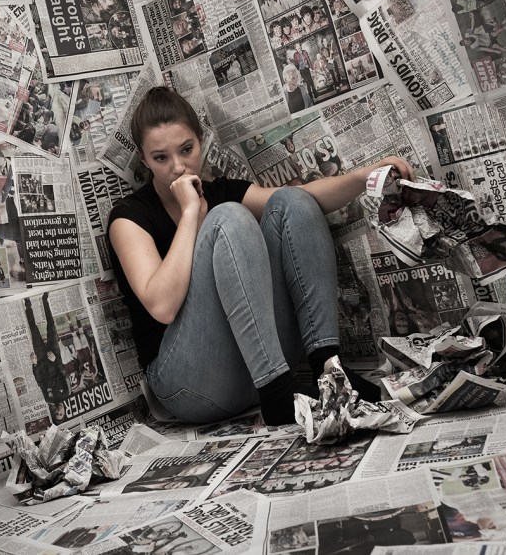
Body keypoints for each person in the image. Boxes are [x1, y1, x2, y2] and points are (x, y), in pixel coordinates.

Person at [107, 87, 413, 425]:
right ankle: (277, 391)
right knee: (228, 217)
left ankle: (330, 369)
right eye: (160, 158)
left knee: (292, 202)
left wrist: (365, 177)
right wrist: (192, 212)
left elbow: (305, 200)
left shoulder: (221, 190)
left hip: (255, 370)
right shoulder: (129, 218)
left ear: (201, 141)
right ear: (144, 159)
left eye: (186, 149)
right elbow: (162, 307)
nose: (178, 167)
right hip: (189, 386)